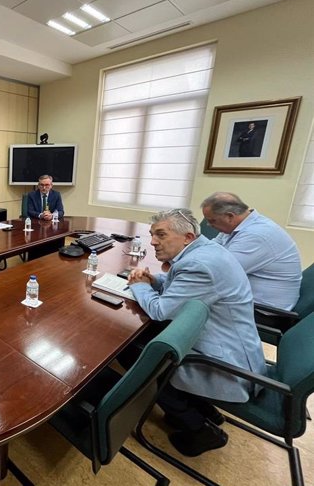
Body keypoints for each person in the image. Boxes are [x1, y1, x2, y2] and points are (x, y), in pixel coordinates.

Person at [128, 209, 266, 457]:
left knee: (140, 356)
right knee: (148, 340)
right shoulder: (205, 251)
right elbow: (179, 283)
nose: (153, 242)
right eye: (152, 235)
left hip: (226, 363)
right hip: (234, 344)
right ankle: (205, 409)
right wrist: (154, 281)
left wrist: (139, 285)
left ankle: (199, 428)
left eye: (161, 235)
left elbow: (160, 310)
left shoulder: (199, 265)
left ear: (188, 236)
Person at [201, 192, 301, 310]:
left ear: (230, 216)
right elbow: (207, 250)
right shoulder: (237, 228)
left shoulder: (256, 235)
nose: (208, 225)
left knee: (186, 304)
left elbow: (220, 274)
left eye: (212, 221)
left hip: (263, 311)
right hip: (242, 301)